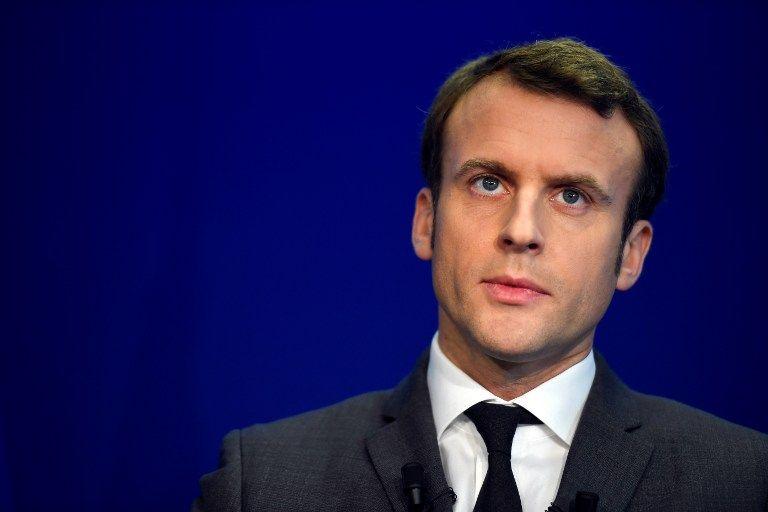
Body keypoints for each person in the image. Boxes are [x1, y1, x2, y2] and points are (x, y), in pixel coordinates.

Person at [191, 38, 768, 512]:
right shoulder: (262, 482)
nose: (521, 230)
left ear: (631, 254)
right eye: (488, 183)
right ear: (427, 222)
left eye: (572, 196)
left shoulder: (744, 483)